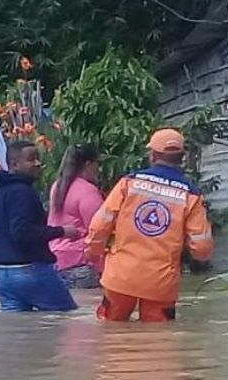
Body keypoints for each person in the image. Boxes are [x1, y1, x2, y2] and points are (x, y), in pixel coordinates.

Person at [87, 128, 214, 322]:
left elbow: (100, 224)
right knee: (159, 341)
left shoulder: (128, 183)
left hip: (121, 276)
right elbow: (202, 247)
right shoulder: (192, 195)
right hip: (160, 282)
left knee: (110, 334)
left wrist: (93, 251)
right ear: (181, 157)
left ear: (153, 155)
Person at [0, 140, 81, 312]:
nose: (38, 163)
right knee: (65, 320)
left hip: (2, 275)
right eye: (31, 159)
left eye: (38, 158)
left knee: (19, 332)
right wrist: (62, 231)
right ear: (14, 164)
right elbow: (22, 232)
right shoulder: (23, 192)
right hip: (29, 269)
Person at [47, 144, 105, 288]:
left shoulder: (58, 186)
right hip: (81, 264)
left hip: (55, 262)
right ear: (88, 164)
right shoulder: (88, 192)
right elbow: (99, 230)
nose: (99, 169)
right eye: (98, 164)